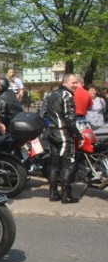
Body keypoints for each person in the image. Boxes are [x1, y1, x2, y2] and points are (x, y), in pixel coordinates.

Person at [44, 73, 82, 203]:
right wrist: (79, 134)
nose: (76, 85)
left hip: (52, 133)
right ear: (65, 82)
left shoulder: (51, 95)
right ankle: (66, 195)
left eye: (76, 82)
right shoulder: (67, 95)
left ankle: (53, 193)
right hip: (63, 134)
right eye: (74, 82)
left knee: (54, 165)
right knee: (68, 165)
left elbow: (44, 113)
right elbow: (70, 119)